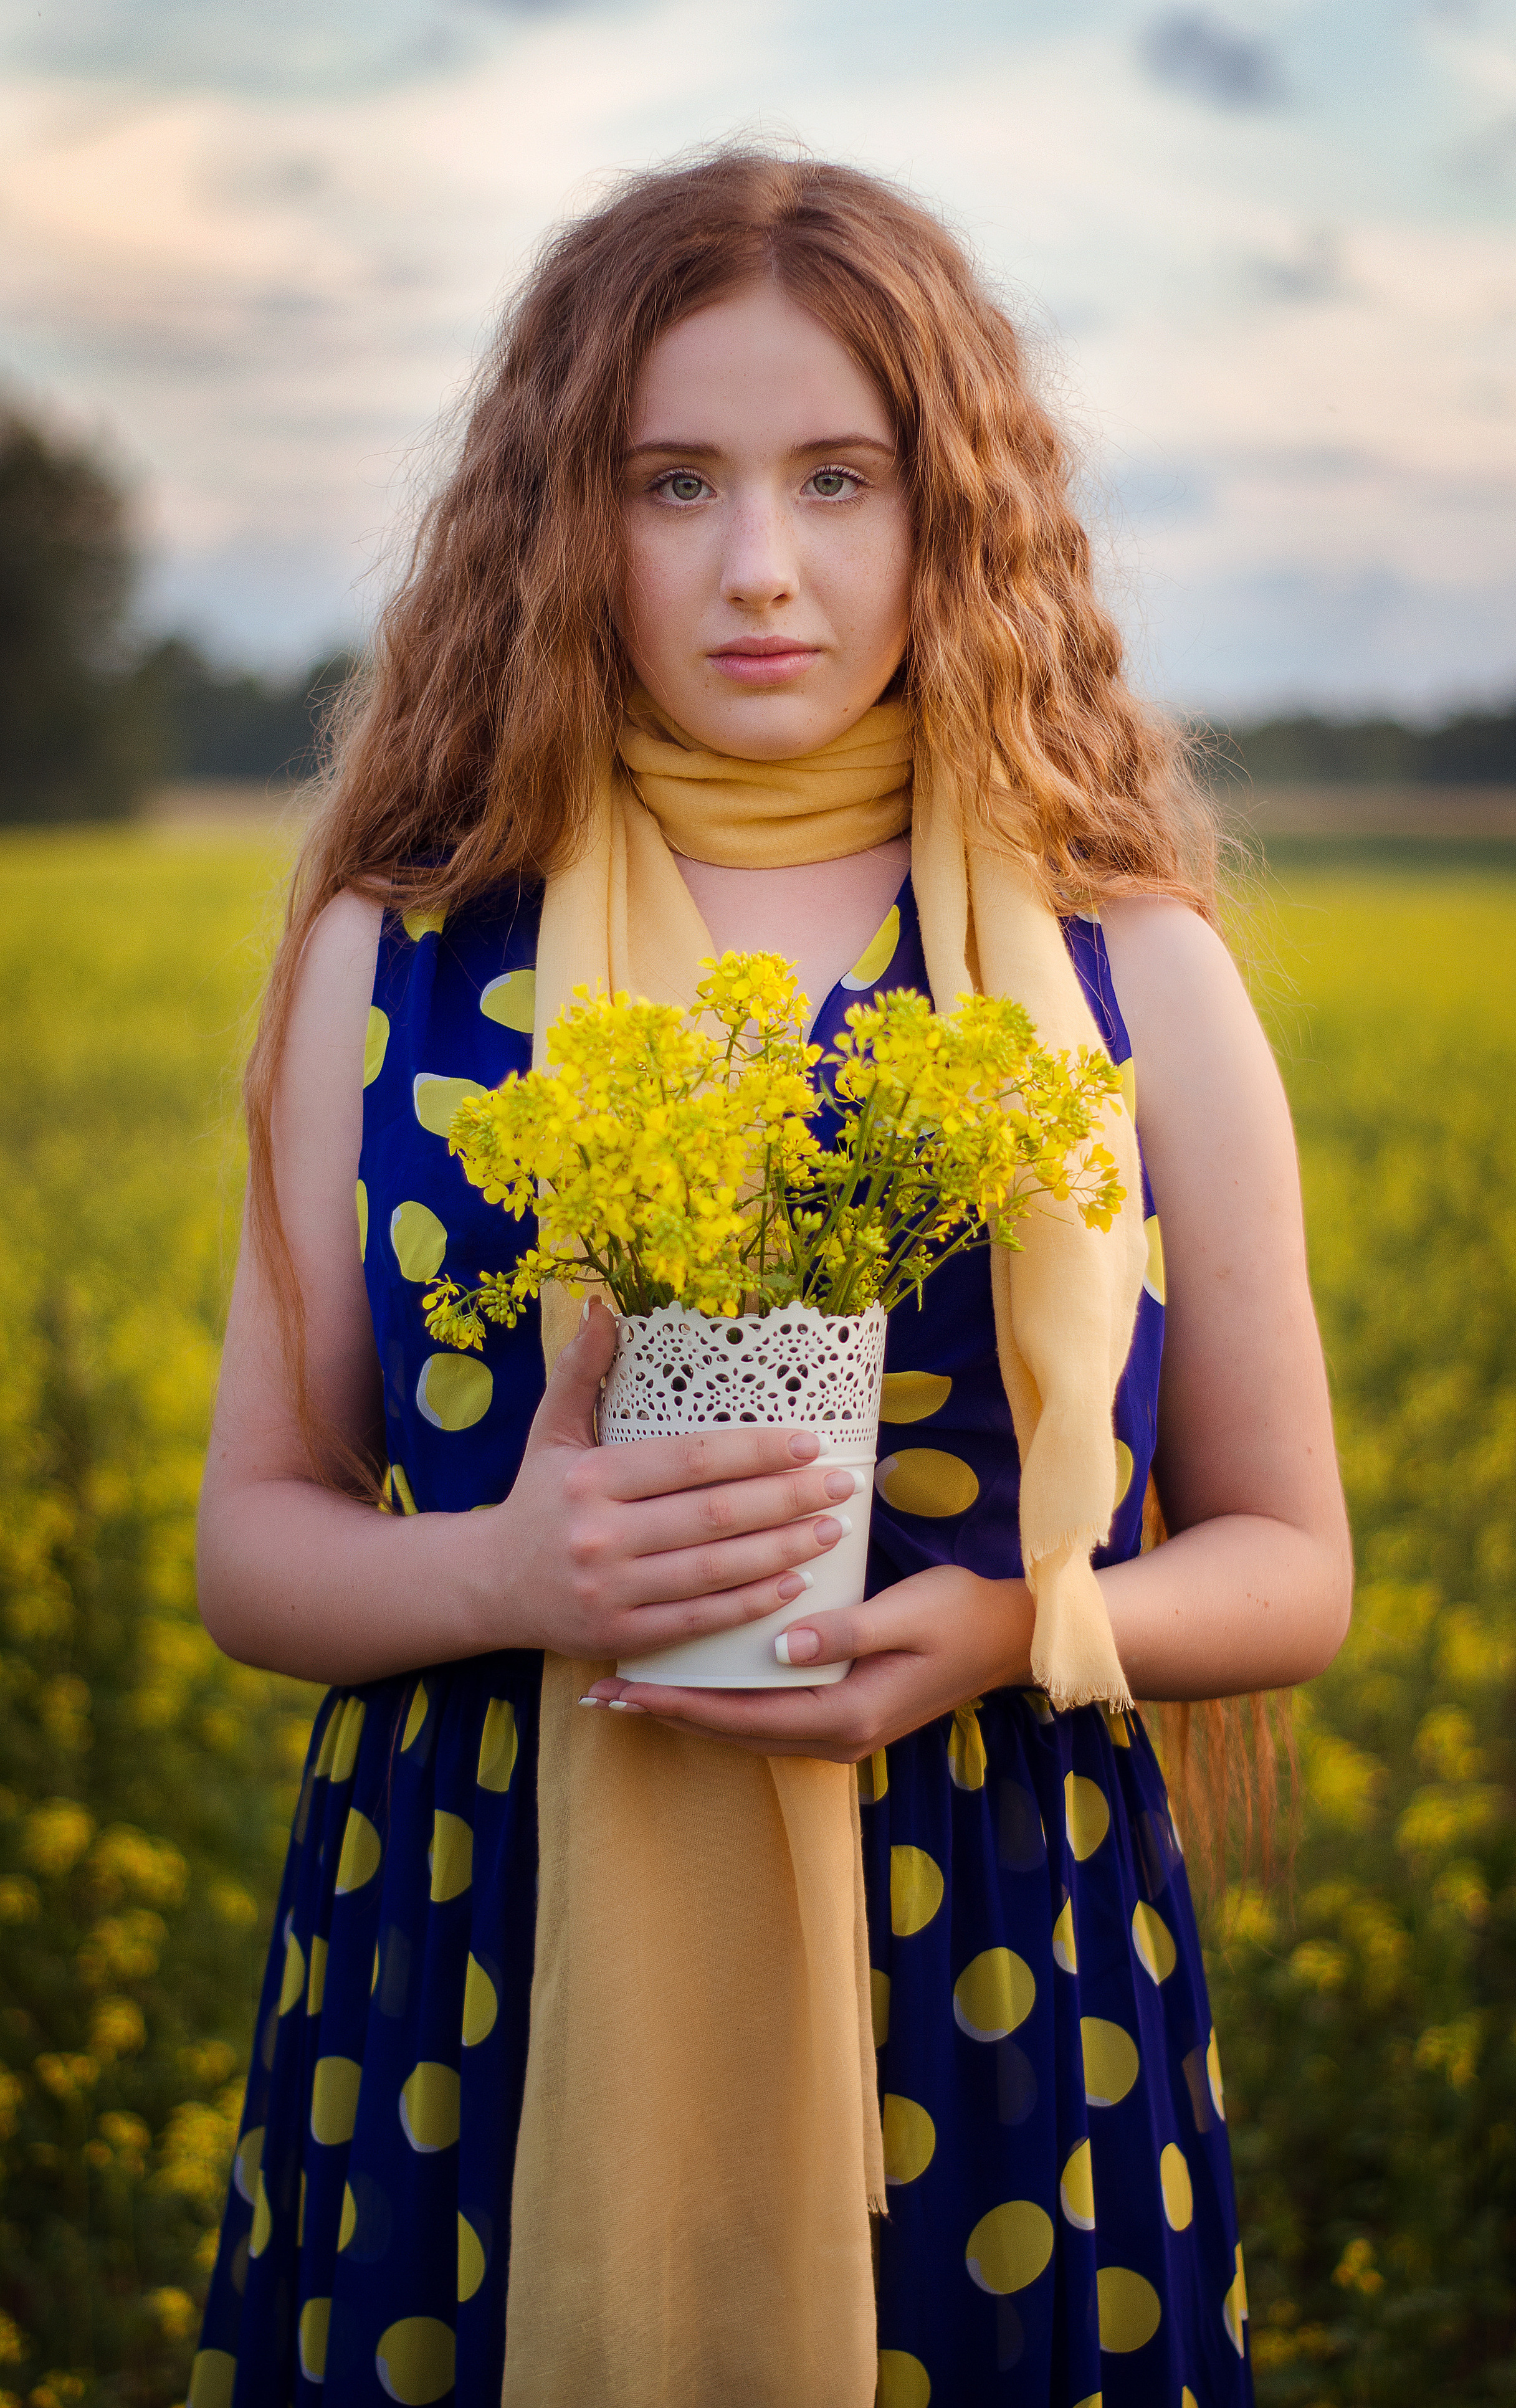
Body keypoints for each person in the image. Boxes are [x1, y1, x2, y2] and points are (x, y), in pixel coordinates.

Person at [188, 149, 1351, 2408]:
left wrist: (1010, 1630)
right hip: (483, 1953)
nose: (758, 567)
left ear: (951, 512)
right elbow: (254, 1541)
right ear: (564, 517)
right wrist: (508, 1570)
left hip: (992, 1967)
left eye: (839, 478)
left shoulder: (1135, 966)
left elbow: (1293, 1564)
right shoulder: (395, 955)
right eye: (673, 482)